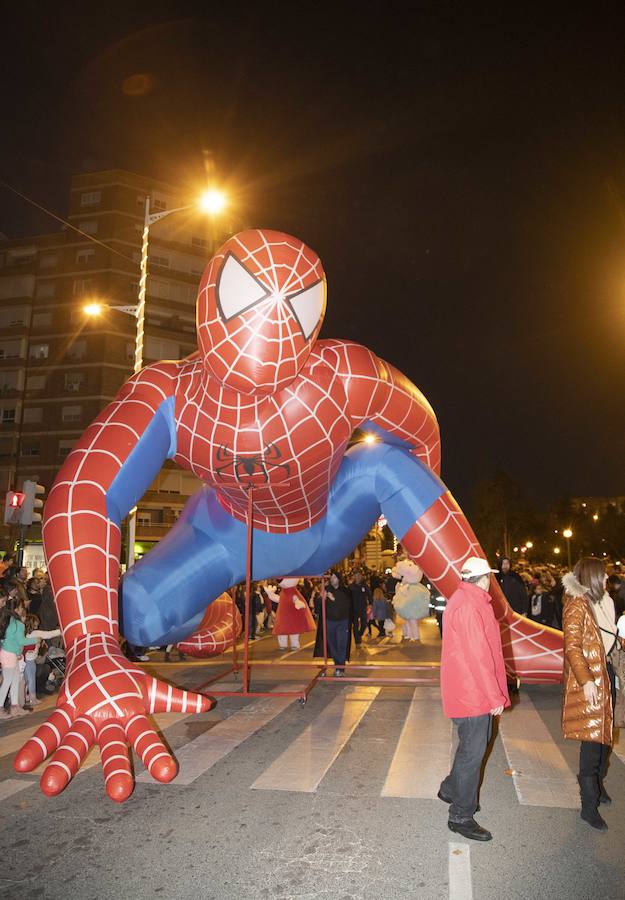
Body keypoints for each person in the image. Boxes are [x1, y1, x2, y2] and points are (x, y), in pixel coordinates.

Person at [438, 556, 510, 842]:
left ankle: (450, 788)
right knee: (473, 753)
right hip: (473, 693)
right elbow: (478, 656)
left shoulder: (464, 599)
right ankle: (461, 815)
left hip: (468, 689)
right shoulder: (470, 605)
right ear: (485, 578)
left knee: (474, 745)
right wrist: (494, 695)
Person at [562, 558, 617, 831]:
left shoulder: (601, 601)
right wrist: (586, 681)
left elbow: (607, 638)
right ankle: (588, 805)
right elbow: (572, 647)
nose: (608, 579)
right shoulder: (576, 604)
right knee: (593, 744)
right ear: (593, 577)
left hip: (605, 675)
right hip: (591, 680)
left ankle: (597, 786)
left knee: (605, 739)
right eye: (604, 576)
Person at [322, 572, 352, 676]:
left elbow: (347, 606)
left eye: (334, 577)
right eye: (331, 577)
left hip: (342, 622)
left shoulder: (345, 590)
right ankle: (337, 665)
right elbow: (319, 607)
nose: (332, 579)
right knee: (332, 644)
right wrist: (321, 598)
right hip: (330, 621)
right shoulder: (327, 590)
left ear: (339, 579)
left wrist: (334, 599)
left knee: (341, 644)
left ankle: (340, 668)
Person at [349, 570, 372, 645]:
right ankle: (357, 640)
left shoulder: (364, 585)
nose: (358, 577)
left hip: (363, 608)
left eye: (359, 575)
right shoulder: (351, 586)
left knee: (364, 624)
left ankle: (359, 634)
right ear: (354, 577)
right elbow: (347, 597)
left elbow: (369, 595)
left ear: (361, 576)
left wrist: (371, 604)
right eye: (356, 576)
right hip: (353, 609)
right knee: (355, 625)